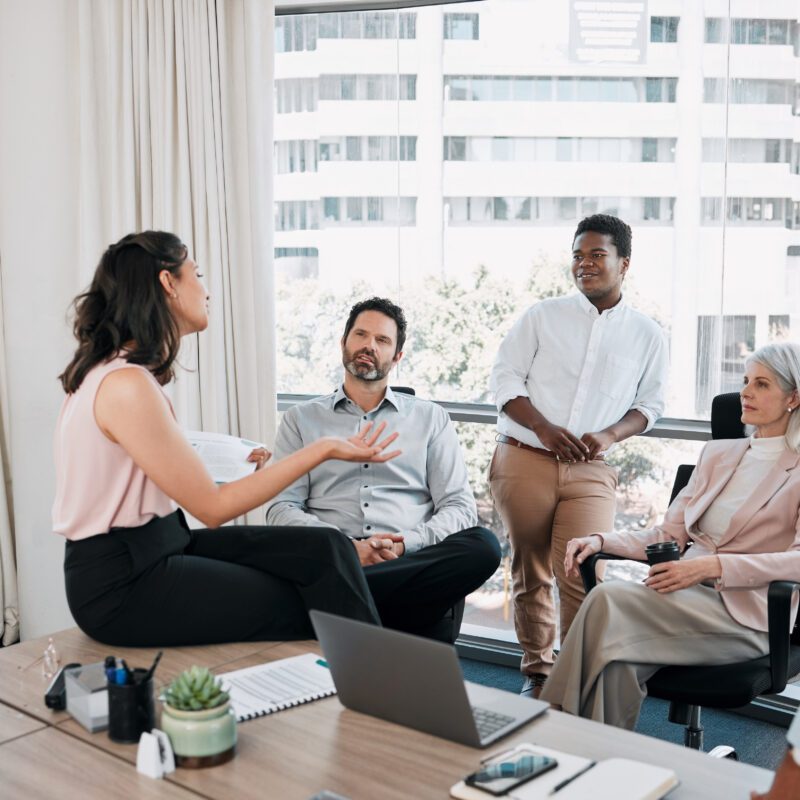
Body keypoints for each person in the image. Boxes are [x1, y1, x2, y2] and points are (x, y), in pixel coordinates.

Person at [53, 231, 402, 647]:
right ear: (168, 283)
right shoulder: (126, 384)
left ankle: (380, 672)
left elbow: (142, 474)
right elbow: (215, 509)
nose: (205, 290)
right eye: (195, 274)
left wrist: (225, 463)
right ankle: (379, 691)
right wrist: (323, 449)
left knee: (325, 547)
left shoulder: (120, 374)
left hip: (163, 543)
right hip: (122, 583)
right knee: (310, 596)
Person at [541, 342, 800, 730]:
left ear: (793, 398)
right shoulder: (717, 454)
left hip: (749, 618)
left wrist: (712, 567)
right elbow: (668, 534)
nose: (745, 392)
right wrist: (600, 540)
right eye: (746, 381)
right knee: (617, 665)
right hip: (681, 599)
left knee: (607, 597)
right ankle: (605, 774)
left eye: (761, 384)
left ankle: (549, 727)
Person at [488, 214, 668, 698]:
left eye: (596, 255)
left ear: (623, 263)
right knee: (531, 570)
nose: (583, 264)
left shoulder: (648, 334)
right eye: (577, 255)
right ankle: (539, 674)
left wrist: (610, 433)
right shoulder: (541, 316)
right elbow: (504, 379)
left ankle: (576, 681)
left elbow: (649, 405)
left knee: (586, 571)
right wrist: (543, 427)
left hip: (591, 470)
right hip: (524, 455)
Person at [265, 297, 501, 642]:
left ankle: (346, 600)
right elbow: (282, 507)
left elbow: (459, 507)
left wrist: (405, 546)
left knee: (484, 545)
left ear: (397, 356)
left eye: (382, 340)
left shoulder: (430, 418)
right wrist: (347, 549)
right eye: (360, 334)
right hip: (335, 558)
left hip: (406, 556)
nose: (368, 346)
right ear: (343, 343)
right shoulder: (301, 420)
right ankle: (368, 596)